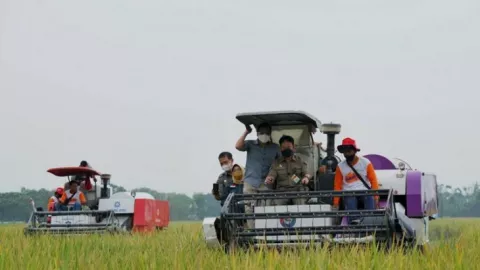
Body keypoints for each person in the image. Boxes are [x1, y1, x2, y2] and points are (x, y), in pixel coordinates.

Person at [235, 122, 281, 229]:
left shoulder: (275, 148)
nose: (264, 135)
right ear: (257, 133)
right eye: (261, 132)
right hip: (250, 182)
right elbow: (238, 146)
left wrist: (273, 176)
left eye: (266, 132)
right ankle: (253, 234)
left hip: (266, 184)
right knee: (249, 209)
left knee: (266, 209)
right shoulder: (250, 144)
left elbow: (279, 163)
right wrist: (246, 132)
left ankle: (264, 234)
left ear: (270, 134)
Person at [332, 137, 380, 224]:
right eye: (345, 152)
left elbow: (373, 180)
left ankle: (371, 224)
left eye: (349, 151)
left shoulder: (366, 162)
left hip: (365, 192)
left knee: (369, 198)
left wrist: (376, 197)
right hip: (349, 192)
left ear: (354, 151)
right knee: (350, 200)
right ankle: (354, 226)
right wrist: (336, 202)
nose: (347, 154)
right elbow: (337, 185)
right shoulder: (340, 166)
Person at [265, 135, 311, 205]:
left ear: (293, 147)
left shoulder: (300, 161)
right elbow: (272, 175)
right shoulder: (276, 162)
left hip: (297, 191)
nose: (286, 149)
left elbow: (306, 173)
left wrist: (306, 178)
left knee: (301, 205)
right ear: (280, 148)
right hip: (281, 192)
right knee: (276, 206)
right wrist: (269, 179)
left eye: (289, 147)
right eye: (284, 147)